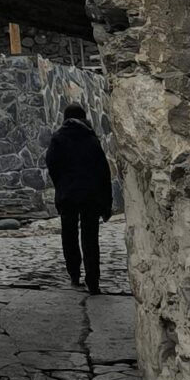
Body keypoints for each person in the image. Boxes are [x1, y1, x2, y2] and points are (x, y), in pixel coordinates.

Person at [45, 100, 113, 293]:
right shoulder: (91, 140)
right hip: (90, 196)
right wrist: (106, 204)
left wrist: (61, 186)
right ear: (83, 118)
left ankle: (74, 273)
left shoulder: (58, 138)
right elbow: (103, 172)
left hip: (67, 196)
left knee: (69, 235)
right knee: (90, 238)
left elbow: (52, 164)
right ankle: (93, 280)